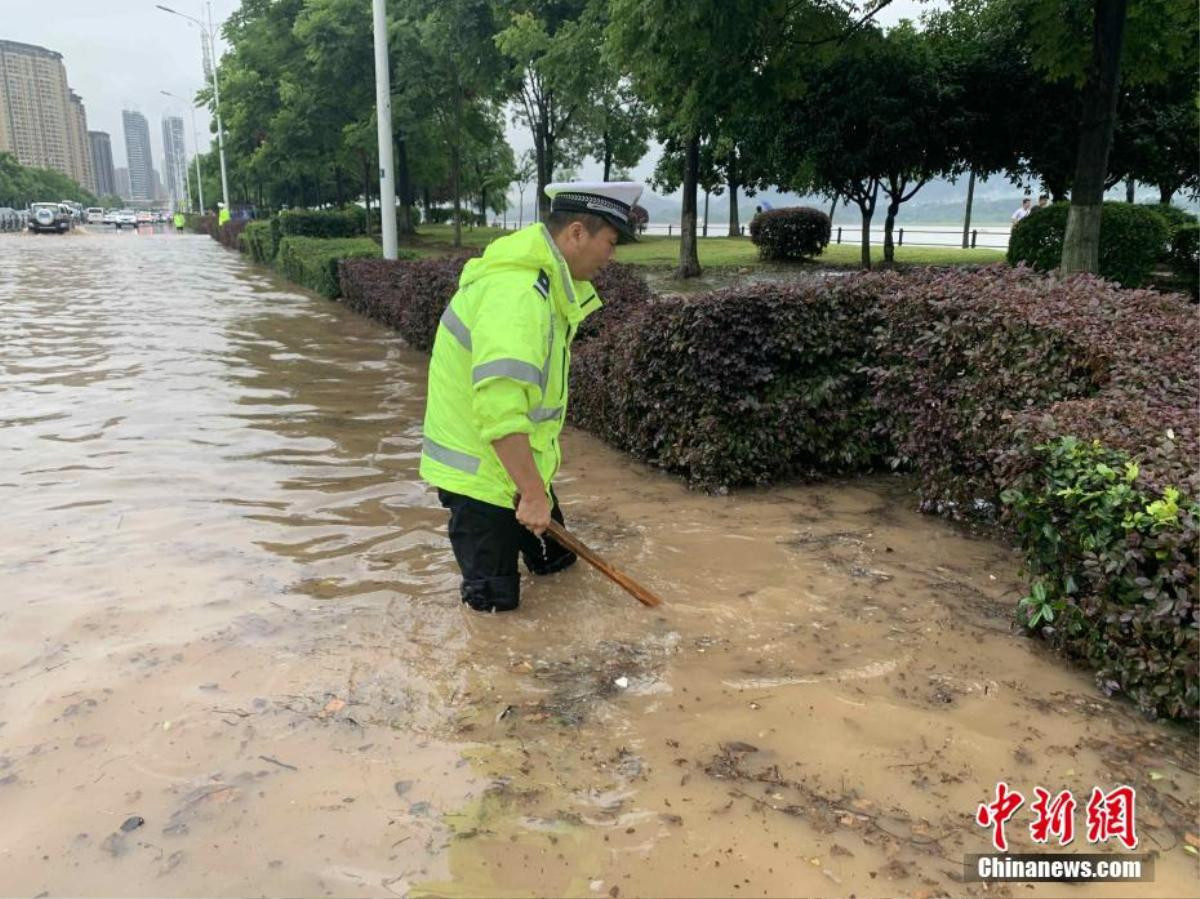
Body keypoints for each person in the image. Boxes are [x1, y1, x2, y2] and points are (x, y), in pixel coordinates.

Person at [420, 180, 643, 613]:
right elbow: (500, 412)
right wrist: (533, 493)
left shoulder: (545, 287)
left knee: (558, 568)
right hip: (484, 482)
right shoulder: (517, 296)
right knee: (494, 612)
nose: (611, 257)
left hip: (519, 472)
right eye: (610, 243)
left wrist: (534, 489)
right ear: (576, 233)